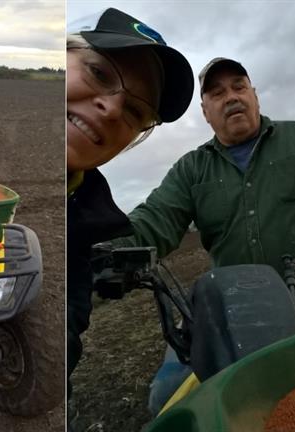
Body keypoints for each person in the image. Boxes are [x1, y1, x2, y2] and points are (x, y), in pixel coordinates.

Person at [115, 57, 295, 414]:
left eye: (238, 86)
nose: (231, 97)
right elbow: (155, 219)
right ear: (205, 112)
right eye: (217, 93)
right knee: (169, 399)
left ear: (255, 95)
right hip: (233, 305)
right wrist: (107, 244)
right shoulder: (191, 169)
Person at [66, 7, 194, 425]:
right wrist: (117, 251)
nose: (112, 109)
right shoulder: (194, 169)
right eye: (100, 73)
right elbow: (160, 218)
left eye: (137, 110)